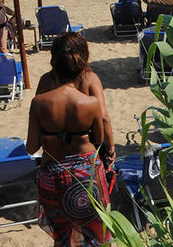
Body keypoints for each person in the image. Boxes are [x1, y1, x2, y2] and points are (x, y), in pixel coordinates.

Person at [26, 33, 112, 246]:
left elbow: (31, 147)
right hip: (86, 171)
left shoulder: (40, 97)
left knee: (64, 238)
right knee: (98, 234)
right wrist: (109, 151)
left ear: (55, 59)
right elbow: (101, 130)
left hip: (52, 172)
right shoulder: (90, 90)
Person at [35, 33, 116, 170]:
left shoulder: (45, 80)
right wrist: (111, 149)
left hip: (54, 156)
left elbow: (38, 123)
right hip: (84, 153)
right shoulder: (89, 78)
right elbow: (104, 118)